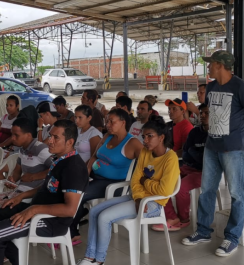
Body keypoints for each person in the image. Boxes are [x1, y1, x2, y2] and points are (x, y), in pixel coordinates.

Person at [182, 50, 244, 257]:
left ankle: (232, 237)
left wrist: (240, 129)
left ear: (220, 65)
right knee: (207, 190)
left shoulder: (240, 87)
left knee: (237, 193)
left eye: (211, 64)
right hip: (212, 146)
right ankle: (203, 231)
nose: (208, 67)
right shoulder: (211, 87)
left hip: (234, 149)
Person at [0, 120, 88, 265]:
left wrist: (34, 209)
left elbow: (70, 210)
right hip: (38, 209)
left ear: (69, 142)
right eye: (50, 136)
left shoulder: (73, 168)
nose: (49, 141)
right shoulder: (60, 160)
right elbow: (50, 186)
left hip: (49, 221)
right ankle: (16, 258)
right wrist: (22, 196)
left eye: (55, 138)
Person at [76, 116, 180, 265]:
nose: (145, 140)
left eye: (150, 136)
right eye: (144, 137)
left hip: (153, 203)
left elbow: (163, 190)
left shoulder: (171, 158)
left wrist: (146, 182)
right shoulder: (145, 152)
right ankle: (89, 257)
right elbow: (136, 179)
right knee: (94, 212)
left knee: (105, 217)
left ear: (161, 137)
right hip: (137, 198)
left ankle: (99, 260)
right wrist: (138, 197)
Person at [0, 118, 52, 258]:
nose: (12, 138)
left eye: (16, 135)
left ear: (28, 135)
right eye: (12, 134)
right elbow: (18, 171)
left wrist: (33, 177)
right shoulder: (23, 149)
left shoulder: (40, 148)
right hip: (17, 191)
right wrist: (13, 179)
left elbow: (55, 170)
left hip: (29, 197)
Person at [71, 109, 143, 242]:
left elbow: (145, 164)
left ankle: (73, 231)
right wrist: (85, 174)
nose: (107, 125)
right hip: (95, 176)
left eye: (111, 122)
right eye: (106, 121)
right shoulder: (107, 136)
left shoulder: (132, 143)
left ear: (123, 122)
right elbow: (93, 157)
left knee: (78, 193)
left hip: (112, 183)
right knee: (69, 185)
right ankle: (77, 214)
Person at [153, 104, 209, 232]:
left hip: (206, 172)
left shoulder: (216, 134)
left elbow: (207, 160)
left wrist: (193, 153)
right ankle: (172, 217)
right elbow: (185, 153)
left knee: (181, 188)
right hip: (188, 166)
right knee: (160, 179)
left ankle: (184, 219)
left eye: (207, 113)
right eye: (201, 113)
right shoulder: (195, 132)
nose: (203, 116)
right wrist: (194, 154)